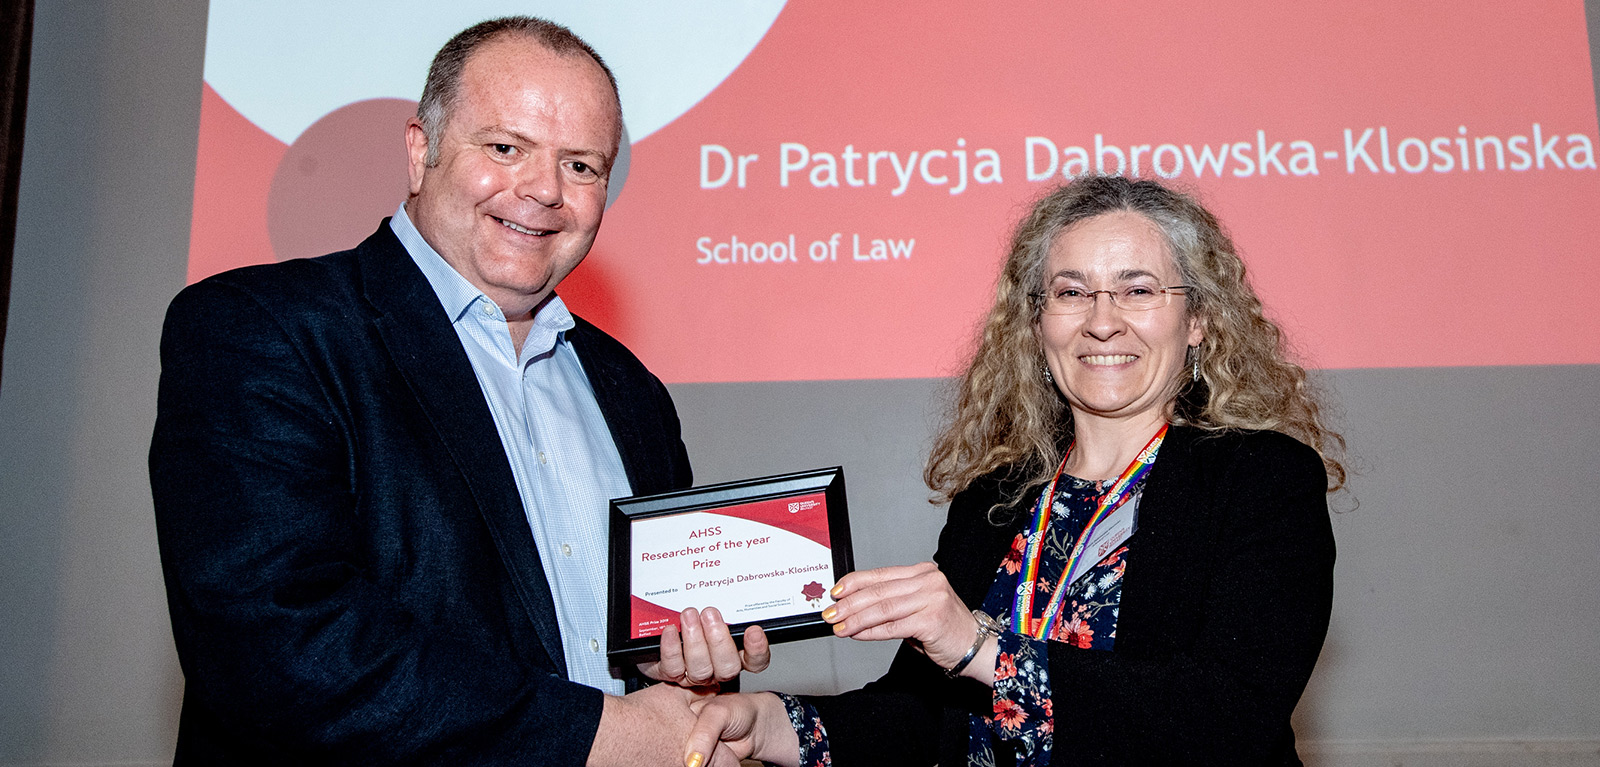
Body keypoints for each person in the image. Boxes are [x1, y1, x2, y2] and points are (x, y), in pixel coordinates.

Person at [150, 17, 766, 766]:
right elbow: (278, 641)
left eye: (581, 165)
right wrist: (608, 737)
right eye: (506, 148)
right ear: (421, 151)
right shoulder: (263, 329)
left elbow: (635, 649)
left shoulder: (629, 389)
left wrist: (680, 666)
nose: (543, 190)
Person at [685, 175, 1344, 767]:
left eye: (1137, 290)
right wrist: (771, 723)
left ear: (1196, 319)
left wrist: (980, 648)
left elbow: (1226, 720)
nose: (1102, 321)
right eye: (1071, 292)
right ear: (1036, 321)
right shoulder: (995, 498)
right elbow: (921, 720)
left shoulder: (1263, 481)